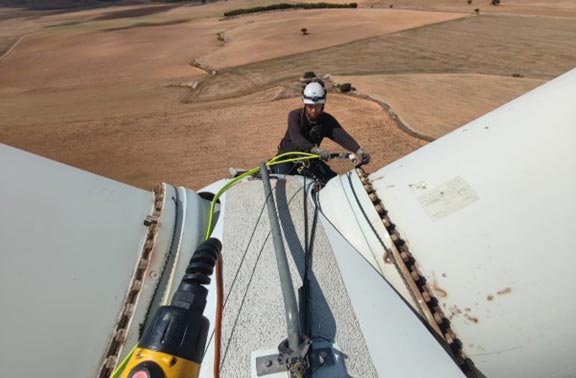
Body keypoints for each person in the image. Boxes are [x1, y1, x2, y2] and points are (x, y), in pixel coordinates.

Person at [272, 80, 370, 182]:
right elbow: (297, 138)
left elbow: (342, 136)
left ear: (322, 105)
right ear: (304, 104)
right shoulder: (294, 116)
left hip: (310, 160)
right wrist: (316, 150)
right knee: (282, 183)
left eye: (317, 106)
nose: (314, 110)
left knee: (333, 182)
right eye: (310, 106)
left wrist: (358, 150)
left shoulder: (326, 120)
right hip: (287, 159)